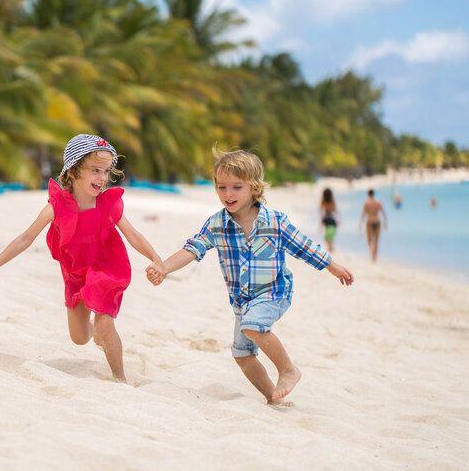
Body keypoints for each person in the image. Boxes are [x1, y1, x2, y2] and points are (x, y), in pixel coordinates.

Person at [146, 150, 354, 404]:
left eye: (236, 187)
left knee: (253, 326)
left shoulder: (274, 221)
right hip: (242, 301)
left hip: (274, 292)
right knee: (242, 354)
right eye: (221, 187)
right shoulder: (216, 225)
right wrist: (165, 268)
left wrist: (331, 266)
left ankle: (288, 369)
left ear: (254, 187)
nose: (228, 194)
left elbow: (304, 246)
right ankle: (273, 397)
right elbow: (193, 248)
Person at [0, 134, 165, 382]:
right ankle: (97, 329)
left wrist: (155, 257)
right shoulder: (56, 207)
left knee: (105, 322)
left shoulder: (109, 205)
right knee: (79, 337)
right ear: (73, 171)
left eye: (106, 171)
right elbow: (26, 237)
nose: (102, 178)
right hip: (75, 272)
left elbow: (133, 235)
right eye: (95, 170)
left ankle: (120, 378)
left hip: (107, 267)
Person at [360, 189, 387, 262]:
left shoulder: (366, 203)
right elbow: (383, 213)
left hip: (369, 222)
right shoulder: (378, 202)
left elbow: (363, 214)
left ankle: (372, 254)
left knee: (369, 241)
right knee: (376, 241)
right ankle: (374, 257)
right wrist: (385, 222)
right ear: (373, 194)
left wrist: (360, 223)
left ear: (368, 194)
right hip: (377, 222)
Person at [320, 188, 339, 252]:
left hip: (326, 220)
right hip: (332, 220)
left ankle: (331, 248)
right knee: (329, 236)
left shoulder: (323, 202)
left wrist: (321, 222)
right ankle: (331, 248)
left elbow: (322, 212)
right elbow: (336, 211)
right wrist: (338, 220)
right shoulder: (332, 202)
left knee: (327, 237)